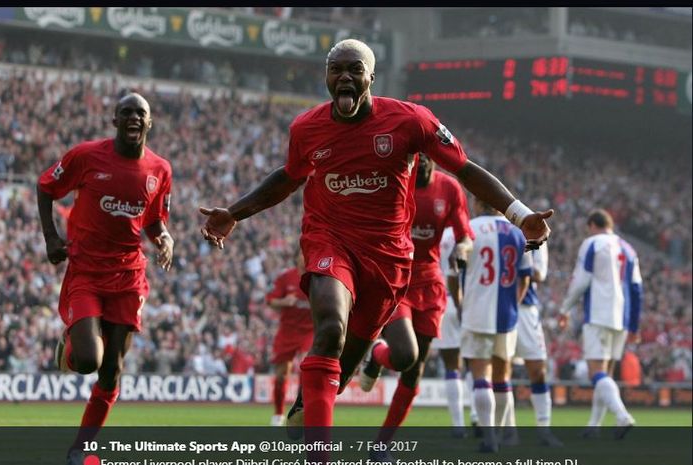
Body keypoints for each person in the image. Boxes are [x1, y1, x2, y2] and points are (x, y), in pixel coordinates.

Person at [199, 39, 552, 441]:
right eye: (337, 70)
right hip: (330, 241)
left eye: (354, 69)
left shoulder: (410, 120)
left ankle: (311, 401)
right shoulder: (306, 128)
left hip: (388, 259)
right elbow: (288, 177)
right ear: (327, 77)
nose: (345, 76)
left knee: (345, 370)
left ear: (371, 76)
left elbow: (464, 168)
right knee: (330, 329)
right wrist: (234, 213)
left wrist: (520, 214)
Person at [37, 92, 173, 465]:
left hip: (129, 277)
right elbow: (45, 187)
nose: (133, 118)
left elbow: (154, 220)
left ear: (149, 123)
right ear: (114, 121)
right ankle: (70, 345)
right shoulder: (86, 156)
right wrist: (51, 237)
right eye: (126, 112)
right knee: (88, 361)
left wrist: (164, 239)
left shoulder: (160, 169)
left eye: (140, 113)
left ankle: (80, 448)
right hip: (86, 271)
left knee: (112, 371)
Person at [357, 153, 474, 452]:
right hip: (397, 278)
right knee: (405, 352)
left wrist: (462, 250)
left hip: (430, 284)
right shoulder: (395, 183)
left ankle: (381, 446)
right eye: (414, 156)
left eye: (426, 156)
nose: (420, 161)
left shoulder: (449, 189)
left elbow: (465, 236)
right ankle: (381, 354)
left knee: (413, 368)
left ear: (434, 158)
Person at [558, 209, 642, 439]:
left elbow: (580, 280)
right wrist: (634, 326)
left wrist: (564, 308)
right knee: (606, 374)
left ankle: (622, 415)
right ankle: (594, 426)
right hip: (621, 318)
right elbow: (637, 290)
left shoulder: (592, 243)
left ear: (592, 225)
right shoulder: (629, 248)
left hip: (598, 314)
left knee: (597, 372)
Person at [459, 197, 532, 453]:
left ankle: (489, 438)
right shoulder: (518, 233)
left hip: (476, 311)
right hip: (506, 314)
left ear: (479, 204)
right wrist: (514, 303)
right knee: (502, 378)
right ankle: (499, 436)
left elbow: (454, 272)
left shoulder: (469, 229)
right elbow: (525, 278)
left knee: (480, 376)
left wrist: (461, 304)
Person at [503, 244, 563, 446]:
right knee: (500, 372)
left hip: (526, 309)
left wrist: (518, 261)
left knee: (538, 371)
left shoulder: (535, 234)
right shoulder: (494, 228)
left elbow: (539, 274)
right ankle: (508, 431)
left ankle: (544, 430)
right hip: (498, 306)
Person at [430, 226, 473, 437]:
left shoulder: (433, 231)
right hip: (469, 300)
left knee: (451, 366)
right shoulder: (467, 233)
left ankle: (458, 425)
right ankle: (477, 417)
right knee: (475, 363)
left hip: (443, 301)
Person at [265, 251, 314, 426]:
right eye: (302, 253)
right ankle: (278, 414)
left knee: (305, 367)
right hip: (287, 331)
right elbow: (270, 300)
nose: (305, 256)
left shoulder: (318, 276)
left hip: (310, 331)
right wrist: (284, 301)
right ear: (297, 257)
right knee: (281, 375)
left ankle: (300, 410)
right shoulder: (286, 277)